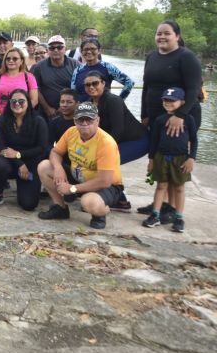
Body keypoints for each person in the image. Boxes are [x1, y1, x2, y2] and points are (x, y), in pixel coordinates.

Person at [38, 102, 124, 230]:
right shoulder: (71, 132)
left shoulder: (106, 143)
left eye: (89, 119)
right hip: (78, 176)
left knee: (89, 202)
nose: (84, 123)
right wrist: (58, 168)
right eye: (80, 119)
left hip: (107, 185)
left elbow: (104, 181)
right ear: (75, 121)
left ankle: (100, 213)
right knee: (44, 166)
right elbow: (56, 152)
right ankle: (60, 207)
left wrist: (72, 189)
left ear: (97, 120)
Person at [142, 87, 197, 233]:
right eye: (165, 100)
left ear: (182, 102)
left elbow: (194, 140)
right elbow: (154, 141)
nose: (168, 103)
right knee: (161, 186)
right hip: (161, 157)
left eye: (172, 100)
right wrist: (151, 160)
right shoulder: (160, 120)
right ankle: (155, 215)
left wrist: (191, 158)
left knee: (179, 187)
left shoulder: (189, 119)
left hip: (181, 159)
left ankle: (179, 217)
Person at [0, 89, 49, 210]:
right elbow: (1, 147)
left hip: (31, 163)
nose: (17, 104)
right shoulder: (2, 120)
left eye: (21, 101)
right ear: (9, 103)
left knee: (29, 205)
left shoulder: (38, 121)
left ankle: (30, 186)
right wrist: (19, 163)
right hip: (9, 161)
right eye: (13, 101)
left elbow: (42, 148)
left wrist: (18, 154)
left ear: (28, 102)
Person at [84, 71, 148, 164]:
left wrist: (101, 148)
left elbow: (118, 130)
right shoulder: (88, 103)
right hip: (117, 139)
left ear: (103, 83)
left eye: (95, 83)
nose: (91, 87)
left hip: (136, 140)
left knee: (106, 161)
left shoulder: (113, 100)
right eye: (87, 85)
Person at [31, 35, 79, 119]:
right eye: (52, 48)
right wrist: (47, 108)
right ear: (48, 50)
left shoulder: (75, 64)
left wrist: (65, 106)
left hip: (71, 110)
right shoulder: (38, 67)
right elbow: (36, 89)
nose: (56, 50)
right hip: (47, 112)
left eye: (59, 47)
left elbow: (80, 88)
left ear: (65, 49)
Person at [0, 47, 39, 114]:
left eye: (15, 59)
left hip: (22, 116)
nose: (11, 61)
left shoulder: (29, 77)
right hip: (1, 116)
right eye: (8, 59)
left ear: (21, 61)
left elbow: (34, 100)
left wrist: (22, 114)